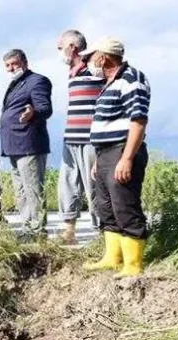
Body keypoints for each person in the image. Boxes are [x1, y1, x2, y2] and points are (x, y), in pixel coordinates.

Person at [80, 38, 150, 278]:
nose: (88, 61)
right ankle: (113, 257)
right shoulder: (109, 82)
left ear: (104, 57)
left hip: (122, 150)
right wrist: (100, 159)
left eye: (91, 57)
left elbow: (138, 120)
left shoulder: (131, 79)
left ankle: (133, 264)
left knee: (125, 205)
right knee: (105, 206)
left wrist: (127, 158)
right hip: (105, 153)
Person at [57, 30, 105, 244]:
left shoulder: (94, 69)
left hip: (89, 139)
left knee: (93, 187)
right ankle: (69, 232)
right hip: (71, 138)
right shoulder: (73, 72)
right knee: (67, 185)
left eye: (60, 48)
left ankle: (103, 235)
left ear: (72, 47)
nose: (59, 52)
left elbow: (108, 54)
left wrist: (90, 54)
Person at [0, 49, 53, 239]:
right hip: (13, 145)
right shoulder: (15, 84)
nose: (11, 68)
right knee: (21, 192)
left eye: (14, 63)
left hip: (29, 143)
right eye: (7, 65)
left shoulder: (37, 81)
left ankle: (38, 231)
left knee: (33, 190)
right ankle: (27, 228)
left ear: (24, 62)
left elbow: (45, 108)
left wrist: (34, 113)